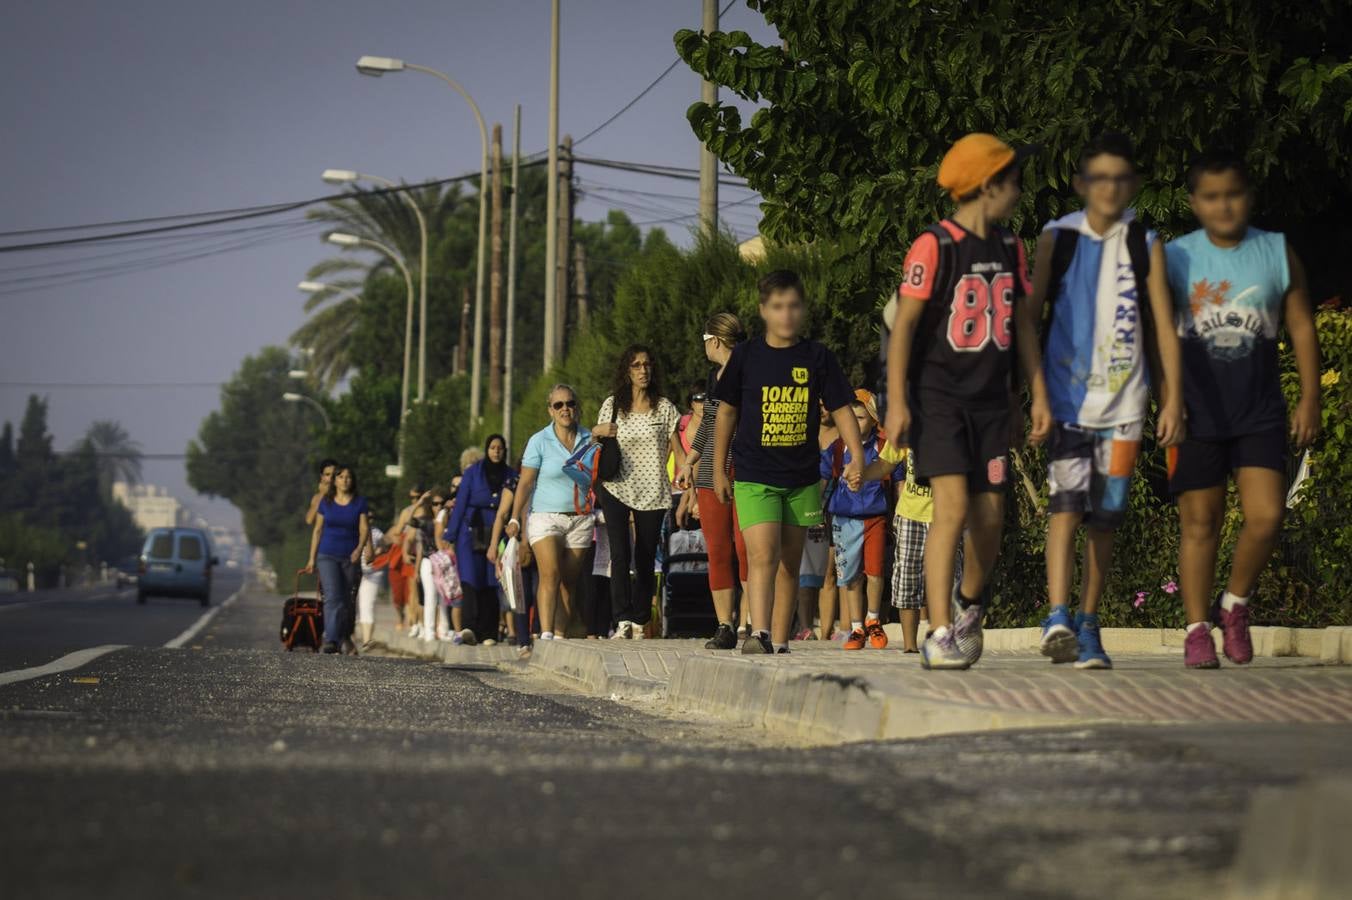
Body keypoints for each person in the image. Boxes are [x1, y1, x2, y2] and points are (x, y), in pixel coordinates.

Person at [1018, 132, 1187, 670]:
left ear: (1132, 184)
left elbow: (1163, 325)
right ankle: (1059, 614)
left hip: (1126, 408)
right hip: (1068, 403)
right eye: (1099, 178)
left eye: (1120, 178)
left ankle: (1090, 623)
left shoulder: (1146, 243)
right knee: (1065, 507)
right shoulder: (1056, 237)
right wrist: (1037, 392)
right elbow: (1030, 314)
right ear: (1081, 184)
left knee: (1106, 518)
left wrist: (1173, 398)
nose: (1110, 188)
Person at [883, 132, 1041, 670]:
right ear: (987, 184)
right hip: (939, 400)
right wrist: (899, 402)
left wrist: (1031, 396)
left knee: (991, 518)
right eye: (1014, 182)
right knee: (950, 510)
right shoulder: (936, 245)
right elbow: (903, 328)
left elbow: (1023, 328)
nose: (1019, 192)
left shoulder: (1011, 248)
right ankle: (940, 631)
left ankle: (970, 603)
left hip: (992, 403)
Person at [1164, 150, 1322, 668]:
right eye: (1211, 196)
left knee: (1267, 515)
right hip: (1197, 412)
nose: (1223, 205)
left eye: (1232, 194)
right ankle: (1195, 629)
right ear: (1194, 203)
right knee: (1200, 522)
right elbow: (1159, 333)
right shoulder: (1176, 258)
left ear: (1248, 196)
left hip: (1259, 408)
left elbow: (1301, 325)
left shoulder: (1275, 252)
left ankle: (1234, 604)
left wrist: (1310, 396)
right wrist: (1166, 400)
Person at [712, 270, 864, 654]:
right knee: (764, 553)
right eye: (778, 307)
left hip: (802, 477)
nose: (786, 314)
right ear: (764, 310)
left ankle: (778, 642)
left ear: (803, 309)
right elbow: (726, 413)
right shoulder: (745, 357)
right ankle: (759, 632)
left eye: (793, 306)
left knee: (790, 564)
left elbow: (843, 410)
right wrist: (717, 469)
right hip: (753, 474)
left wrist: (858, 454)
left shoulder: (817, 357)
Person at [592, 345, 684, 639]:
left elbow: (678, 450)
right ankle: (621, 620)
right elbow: (595, 436)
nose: (643, 370)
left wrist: (686, 475)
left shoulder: (665, 407)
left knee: (645, 556)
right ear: (627, 371)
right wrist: (599, 431)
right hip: (616, 487)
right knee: (620, 553)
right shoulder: (613, 404)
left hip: (654, 490)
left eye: (646, 365)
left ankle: (641, 618)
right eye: (636, 365)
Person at [677, 312, 750, 650]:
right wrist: (690, 462)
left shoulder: (751, 370)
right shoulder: (714, 377)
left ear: (715, 341)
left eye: (704, 340)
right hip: (709, 473)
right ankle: (725, 625)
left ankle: (753, 623)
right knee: (718, 550)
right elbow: (709, 423)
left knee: (747, 547)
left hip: (745, 470)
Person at [507, 384, 593, 641]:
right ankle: (545, 633)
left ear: (576, 407)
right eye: (559, 405)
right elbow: (525, 483)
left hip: (580, 518)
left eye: (569, 404)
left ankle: (559, 634)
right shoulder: (539, 441)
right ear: (550, 410)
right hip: (546, 517)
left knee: (569, 581)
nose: (565, 409)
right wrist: (514, 517)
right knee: (551, 574)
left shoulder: (589, 438)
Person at [825, 390, 899, 651]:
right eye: (850, 418)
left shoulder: (882, 447)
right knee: (851, 577)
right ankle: (857, 627)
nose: (855, 423)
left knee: (876, 572)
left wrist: (897, 513)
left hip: (875, 517)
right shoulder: (836, 448)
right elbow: (822, 479)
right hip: (844, 519)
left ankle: (874, 620)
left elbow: (897, 479)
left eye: (861, 417)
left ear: (873, 419)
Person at [447, 438, 514, 645]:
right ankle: (469, 627)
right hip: (470, 529)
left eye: (500, 448)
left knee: (492, 580)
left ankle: (489, 632)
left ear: (504, 451)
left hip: (497, 528)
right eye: (492, 448)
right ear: (487, 450)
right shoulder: (473, 473)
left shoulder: (510, 474)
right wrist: (451, 534)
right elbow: (461, 504)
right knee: (470, 577)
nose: (496, 452)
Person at [303, 464, 370, 655]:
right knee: (333, 597)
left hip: (350, 556)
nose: (345, 480)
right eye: (341, 477)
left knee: (347, 599)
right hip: (327, 555)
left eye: (348, 477)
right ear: (335, 481)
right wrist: (311, 558)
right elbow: (317, 530)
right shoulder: (326, 502)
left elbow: (364, 528)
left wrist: (360, 549)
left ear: (353, 481)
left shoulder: (359, 503)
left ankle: (343, 636)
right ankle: (331, 639)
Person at [304, 458, 336, 526]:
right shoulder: (317, 497)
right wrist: (322, 494)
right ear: (322, 477)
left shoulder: (344, 496)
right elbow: (309, 520)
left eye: (334, 475)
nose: (331, 478)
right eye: (327, 474)